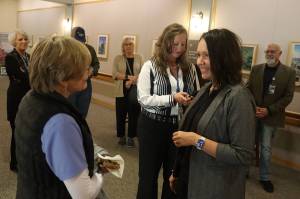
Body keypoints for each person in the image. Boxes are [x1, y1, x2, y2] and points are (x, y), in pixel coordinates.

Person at [14, 36, 117, 198]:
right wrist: (100, 172)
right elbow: (84, 194)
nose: (89, 72)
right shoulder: (60, 122)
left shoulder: (30, 98)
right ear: (62, 78)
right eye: (84, 68)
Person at [169, 28, 255, 199]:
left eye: (206, 56)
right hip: (189, 176)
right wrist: (177, 171)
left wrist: (196, 140)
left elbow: (242, 155)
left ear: (223, 57)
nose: (199, 61)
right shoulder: (207, 88)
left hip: (214, 186)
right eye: (199, 55)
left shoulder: (238, 97)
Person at [137, 23, 200, 199]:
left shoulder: (190, 68)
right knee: (148, 177)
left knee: (173, 177)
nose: (179, 49)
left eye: (183, 44)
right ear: (165, 43)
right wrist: (172, 98)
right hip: (152, 126)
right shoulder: (150, 66)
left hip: (178, 129)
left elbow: (196, 94)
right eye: (175, 44)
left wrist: (191, 101)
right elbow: (143, 99)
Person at [247, 43, 296, 193]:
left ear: (280, 53)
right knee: (247, 145)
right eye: (267, 51)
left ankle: (264, 178)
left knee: (266, 150)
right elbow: (247, 89)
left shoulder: (289, 72)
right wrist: (252, 106)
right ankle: (243, 172)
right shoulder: (256, 69)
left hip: (271, 117)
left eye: (272, 51)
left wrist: (268, 110)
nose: (269, 53)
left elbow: (288, 97)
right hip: (253, 115)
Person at [5, 30, 31, 172]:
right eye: (20, 39)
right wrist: (31, 76)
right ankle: (14, 163)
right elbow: (22, 76)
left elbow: (28, 74)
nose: (24, 42)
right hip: (16, 99)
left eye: (25, 39)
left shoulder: (28, 56)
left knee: (26, 131)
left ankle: (24, 159)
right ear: (14, 42)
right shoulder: (11, 58)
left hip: (28, 99)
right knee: (16, 131)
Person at [112, 37, 143, 147]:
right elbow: (114, 74)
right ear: (123, 47)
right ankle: (121, 136)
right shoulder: (118, 58)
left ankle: (131, 137)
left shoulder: (139, 58)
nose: (128, 46)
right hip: (121, 91)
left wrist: (131, 82)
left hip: (134, 92)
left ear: (134, 46)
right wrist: (128, 77)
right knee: (120, 114)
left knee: (133, 115)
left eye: (130, 44)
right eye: (126, 44)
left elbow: (143, 74)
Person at [69, 26, 100, 118]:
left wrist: (92, 70)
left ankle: (80, 131)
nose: (81, 44)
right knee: (70, 112)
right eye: (77, 41)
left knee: (82, 112)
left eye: (82, 41)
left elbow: (96, 64)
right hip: (71, 85)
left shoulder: (90, 49)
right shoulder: (67, 50)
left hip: (86, 86)